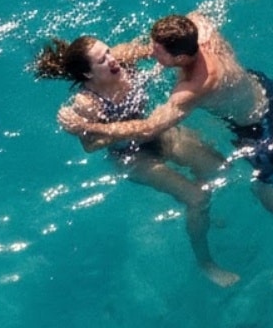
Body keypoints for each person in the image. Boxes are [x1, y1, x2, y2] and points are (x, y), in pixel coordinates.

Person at [57, 11, 273, 216]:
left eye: (158, 51)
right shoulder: (196, 28)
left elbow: (148, 128)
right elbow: (196, 17)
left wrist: (86, 126)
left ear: (179, 57)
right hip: (263, 87)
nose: (151, 52)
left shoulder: (193, 87)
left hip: (260, 128)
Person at [34, 34, 240, 287]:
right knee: (197, 198)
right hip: (130, 155)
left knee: (220, 169)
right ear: (88, 74)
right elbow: (90, 146)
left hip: (155, 132)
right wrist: (122, 130)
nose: (112, 59)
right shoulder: (86, 103)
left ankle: (200, 215)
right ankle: (205, 262)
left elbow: (160, 51)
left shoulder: (123, 58)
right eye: (102, 60)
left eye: (108, 51)